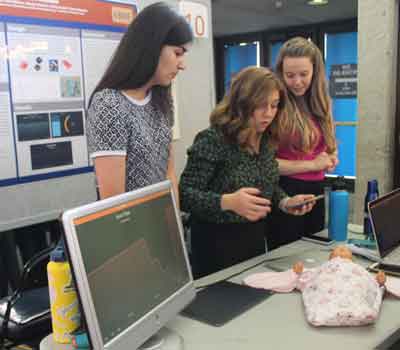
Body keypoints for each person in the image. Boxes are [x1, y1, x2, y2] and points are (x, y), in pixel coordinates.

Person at [179, 66, 316, 279]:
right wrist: (227, 202)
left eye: (274, 105)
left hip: (254, 244)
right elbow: (184, 195)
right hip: (215, 248)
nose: (269, 113)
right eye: (261, 105)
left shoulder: (266, 141)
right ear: (242, 102)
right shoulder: (213, 139)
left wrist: (285, 202)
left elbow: (266, 184)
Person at [87, 2, 193, 200]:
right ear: (151, 47)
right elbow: (113, 201)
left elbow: (168, 174)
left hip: (161, 219)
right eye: (177, 53)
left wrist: (173, 222)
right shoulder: (109, 104)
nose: (182, 65)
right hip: (129, 225)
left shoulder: (162, 98)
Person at [267, 37, 339, 250]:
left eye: (303, 74)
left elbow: (328, 148)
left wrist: (331, 158)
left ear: (315, 72)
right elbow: (265, 163)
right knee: (285, 261)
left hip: (316, 189)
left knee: (313, 255)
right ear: (280, 73)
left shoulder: (322, 103)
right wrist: (313, 164)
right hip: (284, 191)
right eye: (289, 75)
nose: (297, 82)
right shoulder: (275, 106)